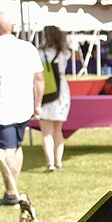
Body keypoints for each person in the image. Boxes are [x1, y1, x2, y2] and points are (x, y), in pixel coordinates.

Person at [0, 13, 44, 206]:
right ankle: (12, 190)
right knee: (16, 147)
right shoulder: (28, 48)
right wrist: (37, 104)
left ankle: (11, 193)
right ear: (12, 27)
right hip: (23, 107)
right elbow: (39, 79)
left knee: (5, 151)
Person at [37, 25, 72, 172]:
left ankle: (50, 163)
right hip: (61, 91)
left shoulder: (39, 54)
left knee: (46, 132)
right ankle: (58, 161)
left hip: (45, 91)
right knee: (58, 130)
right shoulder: (64, 53)